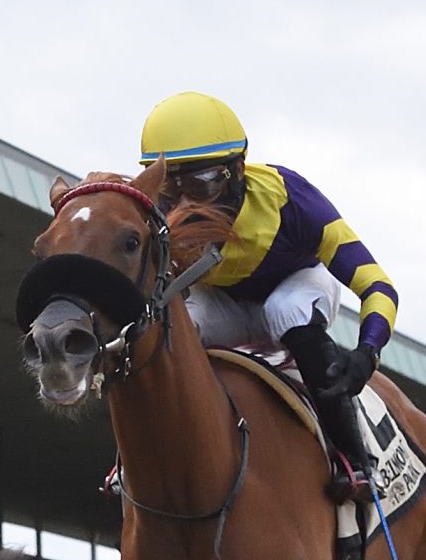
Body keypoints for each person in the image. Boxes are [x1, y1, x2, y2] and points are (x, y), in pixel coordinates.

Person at [141, 90, 396, 502]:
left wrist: (367, 352)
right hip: (223, 301)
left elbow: (378, 285)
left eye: (203, 183)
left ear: (238, 170)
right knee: (171, 329)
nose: (186, 202)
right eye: (171, 185)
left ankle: (355, 459)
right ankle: (135, 462)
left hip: (297, 285)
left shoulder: (291, 200)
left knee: (286, 310)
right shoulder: (159, 214)